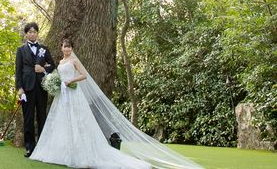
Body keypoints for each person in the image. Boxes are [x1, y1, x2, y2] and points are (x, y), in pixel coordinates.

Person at [30, 39, 204, 169]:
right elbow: (59, 75)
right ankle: (61, 152)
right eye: (64, 46)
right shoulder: (60, 62)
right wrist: (56, 83)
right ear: (61, 48)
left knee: (78, 122)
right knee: (63, 123)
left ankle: (81, 153)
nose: (66, 49)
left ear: (72, 49)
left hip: (74, 93)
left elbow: (84, 75)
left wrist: (71, 80)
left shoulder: (74, 61)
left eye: (69, 46)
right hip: (63, 96)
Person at [15, 22, 56, 158]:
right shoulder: (21, 50)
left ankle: (43, 146)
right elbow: (18, 70)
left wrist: (43, 69)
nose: (32, 34)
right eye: (30, 32)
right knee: (28, 118)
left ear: (37, 33)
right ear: (26, 34)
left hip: (41, 87)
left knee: (42, 116)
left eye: (34, 32)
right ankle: (29, 147)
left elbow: (53, 65)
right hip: (27, 88)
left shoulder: (44, 48)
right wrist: (19, 88)